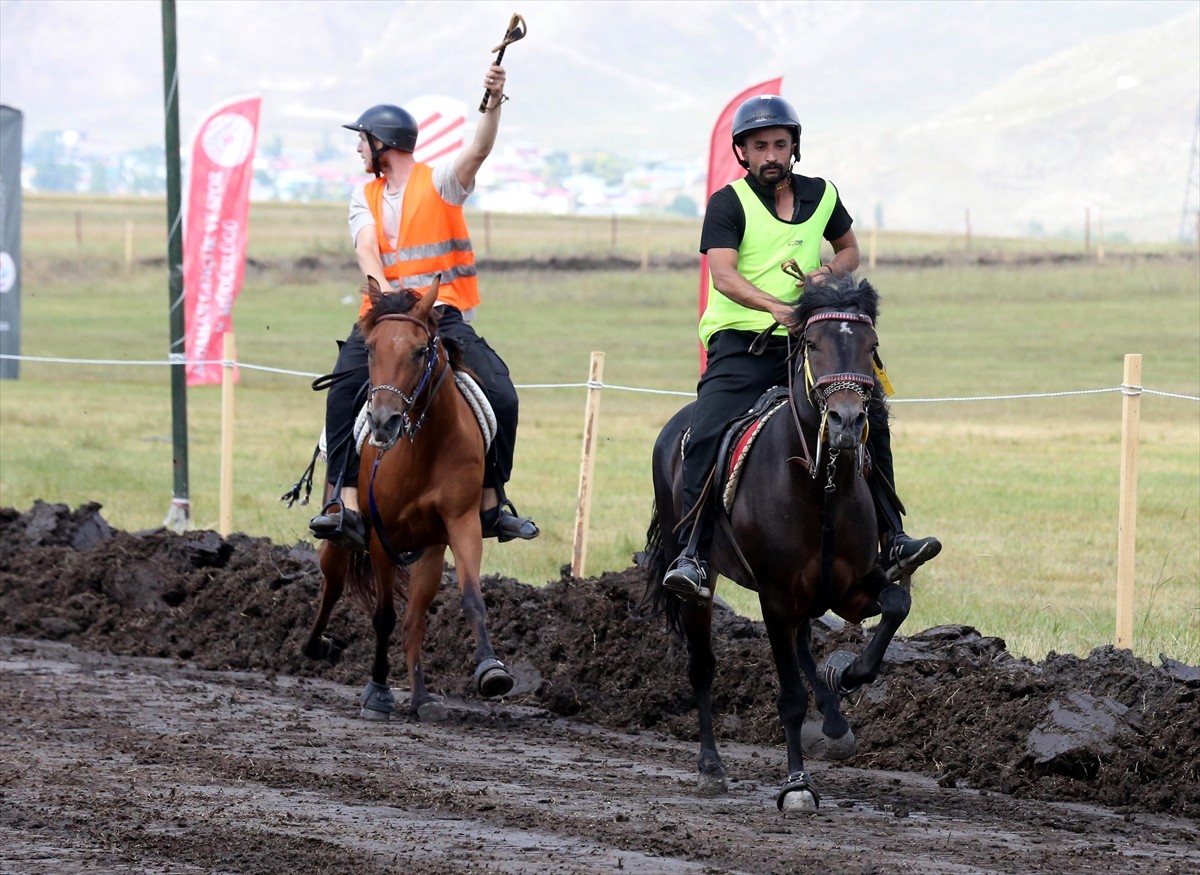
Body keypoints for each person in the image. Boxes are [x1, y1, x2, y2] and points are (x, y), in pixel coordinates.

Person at [662, 94, 940, 602]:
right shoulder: (729, 203)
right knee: (704, 430)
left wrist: (828, 272)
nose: (771, 154)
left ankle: (892, 538)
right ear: (742, 151)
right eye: (760, 146)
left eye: (780, 145)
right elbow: (722, 275)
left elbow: (850, 250)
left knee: (870, 413)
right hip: (741, 343)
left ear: (794, 148)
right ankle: (693, 554)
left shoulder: (822, 195)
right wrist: (774, 306)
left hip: (809, 343)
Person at [308, 62, 539, 550]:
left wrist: (494, 99)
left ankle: (493, 501)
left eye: (362, 140)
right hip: (385, 317)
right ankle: (343, 500)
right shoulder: (362, 197)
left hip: (444, 315)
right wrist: (390, 304)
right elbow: (367, 252)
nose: (357, 149)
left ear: (382, 145)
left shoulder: (441, 183)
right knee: (342, 390)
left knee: (502, 394)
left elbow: (478, 148)